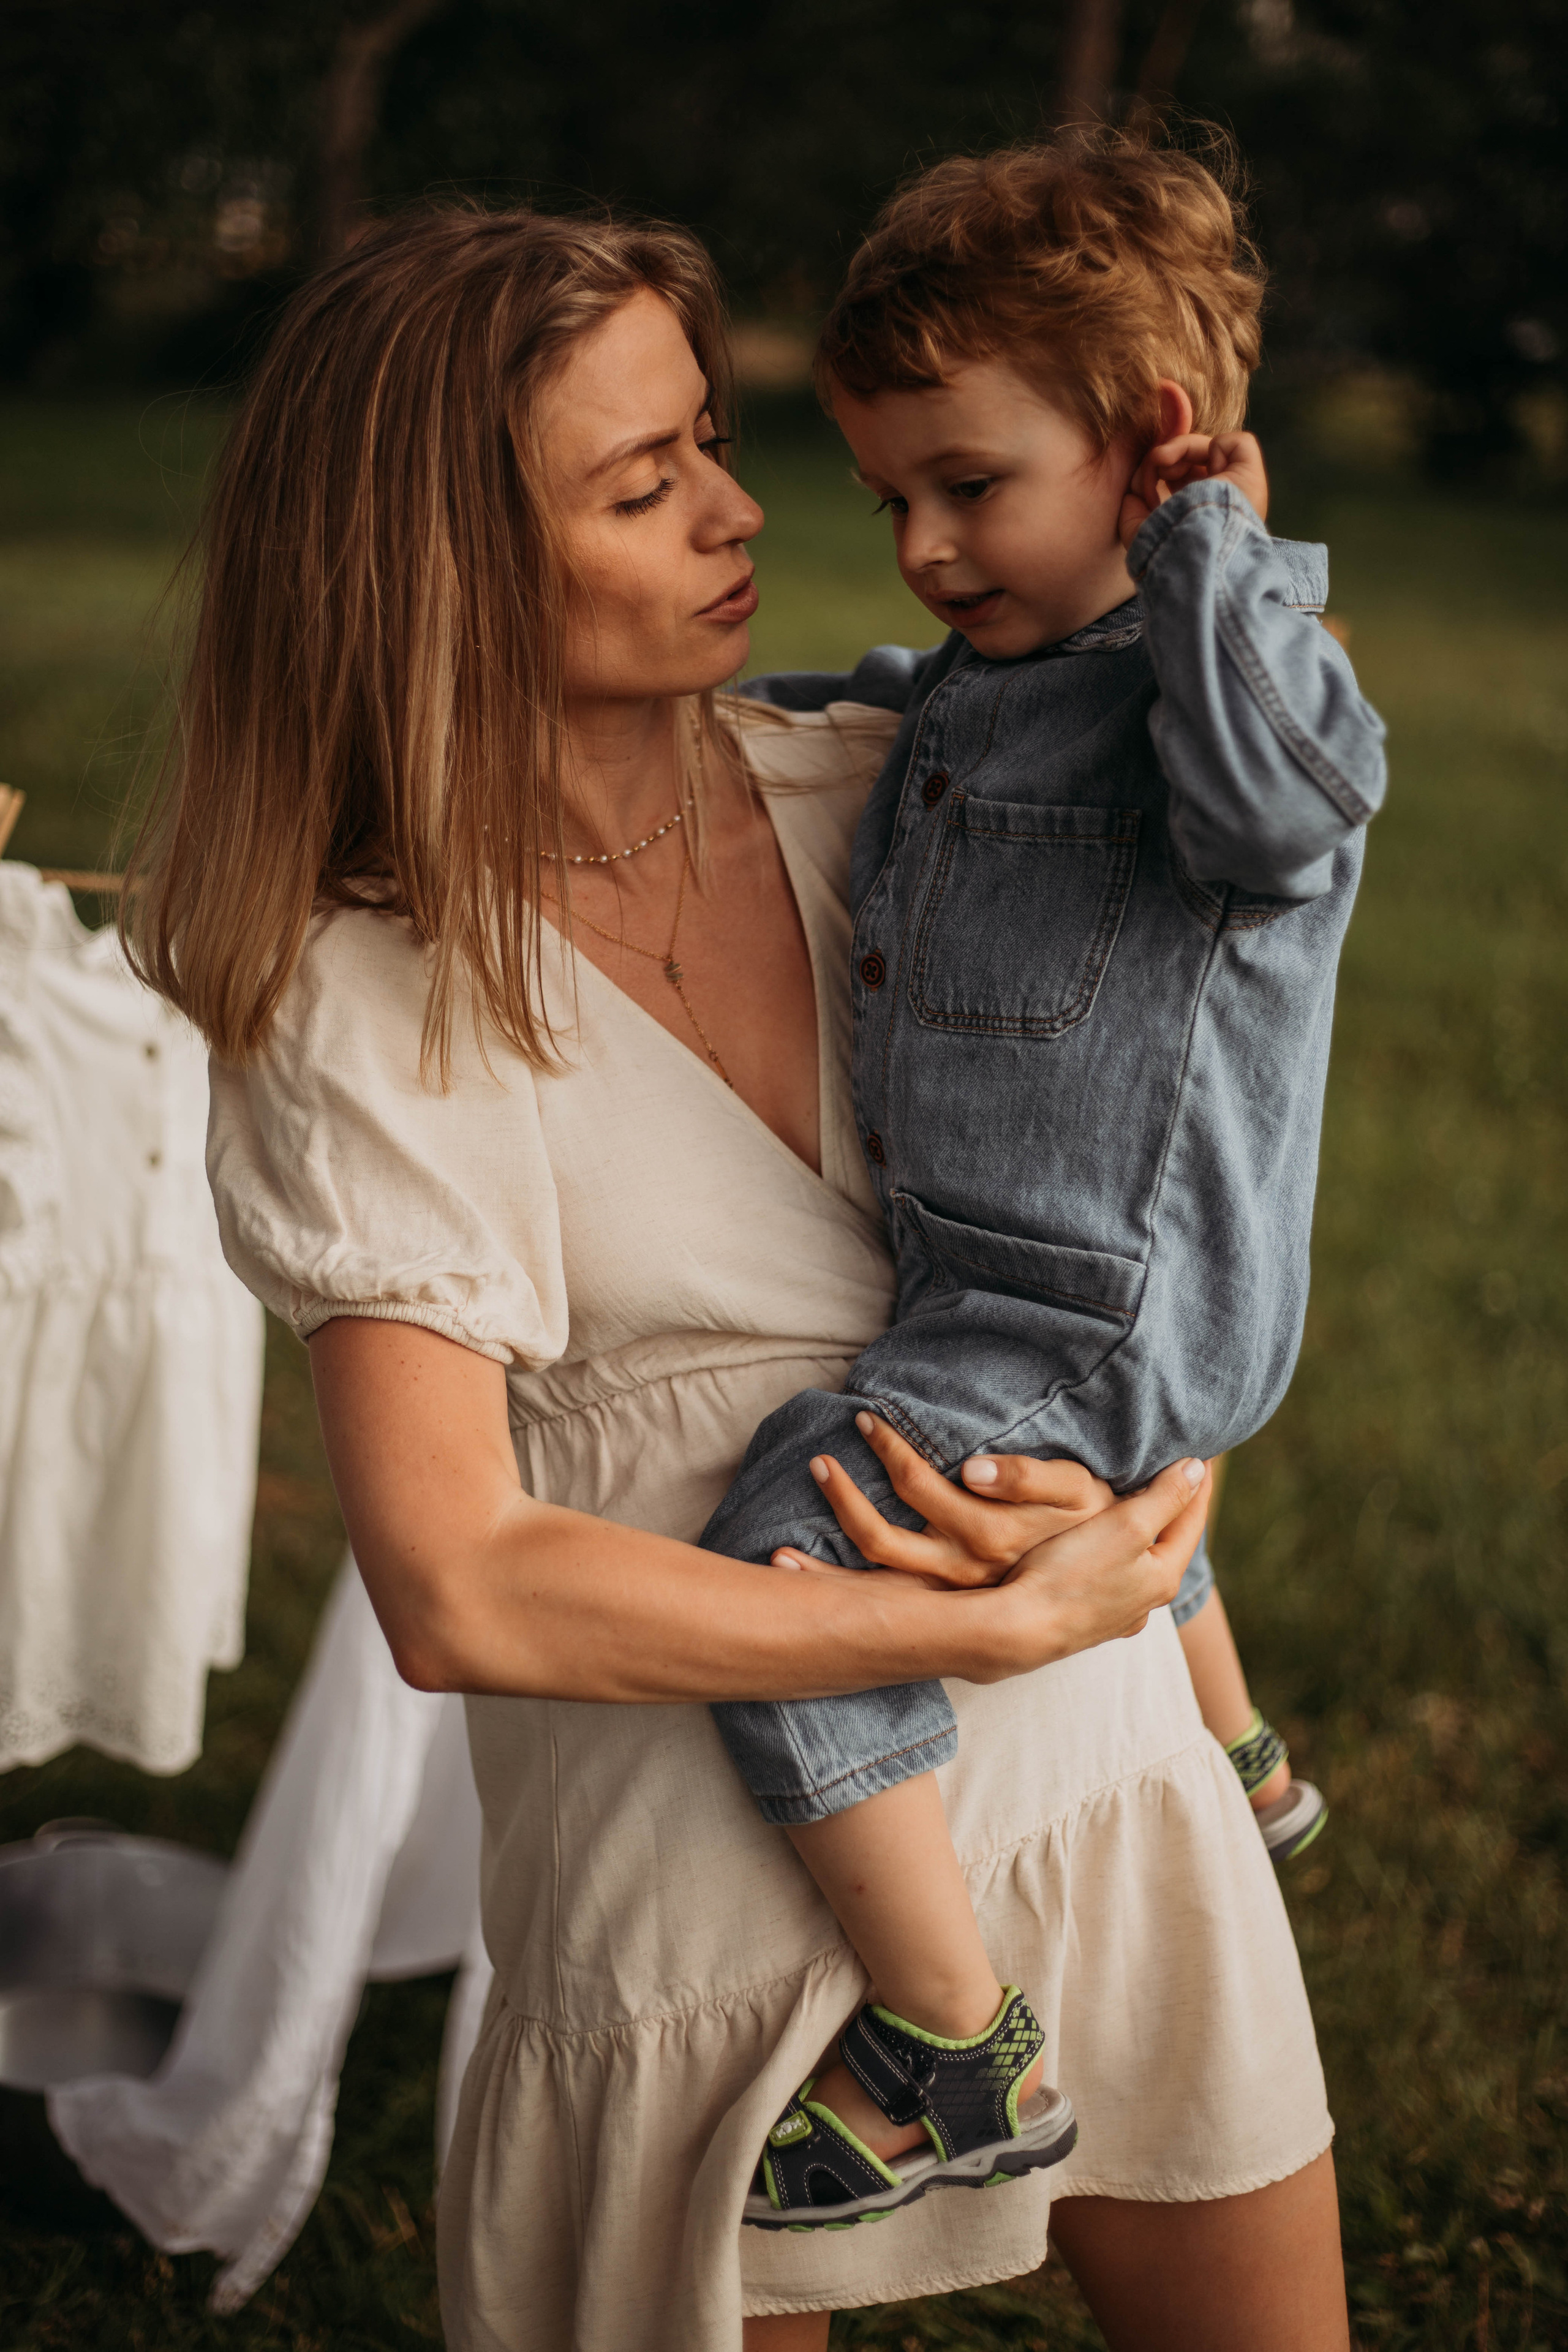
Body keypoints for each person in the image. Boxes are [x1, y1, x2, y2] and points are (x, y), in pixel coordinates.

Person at [127, 202, 1348, 2350]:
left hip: (1097, 1762)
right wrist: (972, 1615)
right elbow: (460, 1585)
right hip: (696, 1856)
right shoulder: (358, 985)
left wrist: (1148, 1504)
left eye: (709, 438)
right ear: (445, 568)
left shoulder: (906, 788)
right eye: (641, 481)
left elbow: (1176, 1144)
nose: (739, 508)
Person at [694, 126, 1385, 2227]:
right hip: (1029, 1279)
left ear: (1150, 451)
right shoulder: (1003, 683)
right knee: (1087, 1483)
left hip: (1091, 1305)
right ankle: (1244, 1761)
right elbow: (886, 726)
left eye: (969, 486)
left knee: (781, 1550)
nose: (920, 546)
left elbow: (1286, 811)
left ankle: (953, 2041)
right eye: (888, 499)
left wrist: (1213, 555)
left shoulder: (1223, 693)